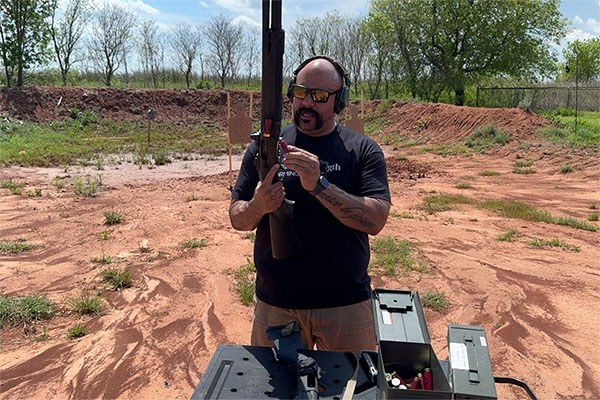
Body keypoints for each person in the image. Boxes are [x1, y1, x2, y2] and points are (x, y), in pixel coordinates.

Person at [229, 56, 391, 353]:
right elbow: (237, 218)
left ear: (339, 101)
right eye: (301, 92)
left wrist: (319, 186)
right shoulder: (265, 148)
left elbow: (375, 220)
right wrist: (259, 205)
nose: (307, 103)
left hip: (345, 306)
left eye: (319, 96)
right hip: (276, 305)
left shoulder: (362, 150)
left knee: (354, 391)